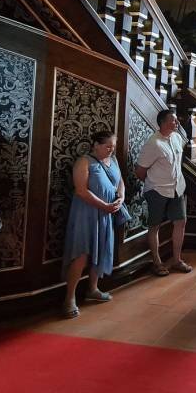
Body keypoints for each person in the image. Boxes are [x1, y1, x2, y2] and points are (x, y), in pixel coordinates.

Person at [62, 131, 126, 319]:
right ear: (96, 145)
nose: (111, 149)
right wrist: (103, 205)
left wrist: (121, 199)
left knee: (101, 249)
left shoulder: (113, 160)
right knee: (81, 253)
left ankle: (93, 288)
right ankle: (69, 298)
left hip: (105, 213)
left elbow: (120, 182)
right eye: (107, 146)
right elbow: (81, 190)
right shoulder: (84, 162)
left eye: (113, 146)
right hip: (86, 213)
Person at [135, 109, 192, 277]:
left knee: (180, 221)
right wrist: (154, 182)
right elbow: (140, 171)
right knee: (154, 226)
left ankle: (177, 260)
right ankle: (157, 262)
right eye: (173, 120)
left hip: (177, 188)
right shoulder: (153, 143)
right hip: (157, 190)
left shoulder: (177, 137)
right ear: (163, 123)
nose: (177, 123)